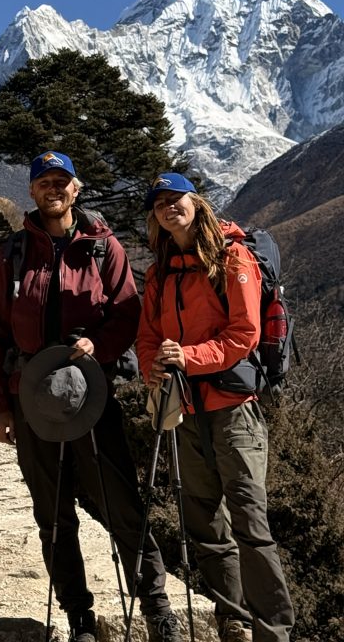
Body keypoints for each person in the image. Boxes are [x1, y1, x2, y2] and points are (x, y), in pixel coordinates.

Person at [0, 151, 181, 642]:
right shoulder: (13, 253)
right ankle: (78, 616)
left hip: (91, 394)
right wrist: (1, 406)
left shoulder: (102, 247)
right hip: (31, 399)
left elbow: (127, 314)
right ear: (31, 190)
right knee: (52, 514)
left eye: (62, 181)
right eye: (44, 182)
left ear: (76, 188)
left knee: (122, 503)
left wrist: (100, 344)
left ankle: (156, 607)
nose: (53, 189)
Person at [137, 172, 294, 642]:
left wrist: (188, 357)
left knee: (250, 523)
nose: (169, 207)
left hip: (233, 410)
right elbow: (147, 336)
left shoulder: (232, 257)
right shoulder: (159, 271)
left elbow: (245, 333)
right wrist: (152, 368)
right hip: (184, 410)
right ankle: (233, 621)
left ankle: (274, 631)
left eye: (176, 198)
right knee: (204, 523)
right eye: (160, 203)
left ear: (196, 202)